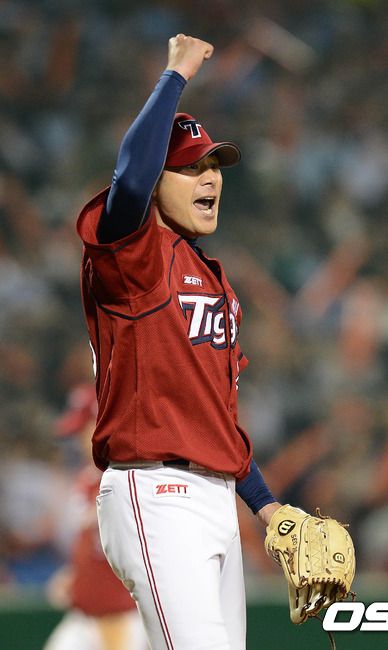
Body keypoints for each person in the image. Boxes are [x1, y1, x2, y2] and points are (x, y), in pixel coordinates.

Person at [76, 34, 281, 650]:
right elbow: (129, 180)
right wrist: (175, 76)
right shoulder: (134, 256)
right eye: (190, 166)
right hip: (155, 490)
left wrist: (267, 507)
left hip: (218, 499)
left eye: (214, 166)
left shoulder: (215, 282)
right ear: (156, 181)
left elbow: (215, 418)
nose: (209, 177)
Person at [43, 383, 149, 650]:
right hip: (85, 615)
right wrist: (76, 574)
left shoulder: (129, 477)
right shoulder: (87, 478)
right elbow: (96, 548)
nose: (78, 439)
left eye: (83, 429)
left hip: (118, 615)